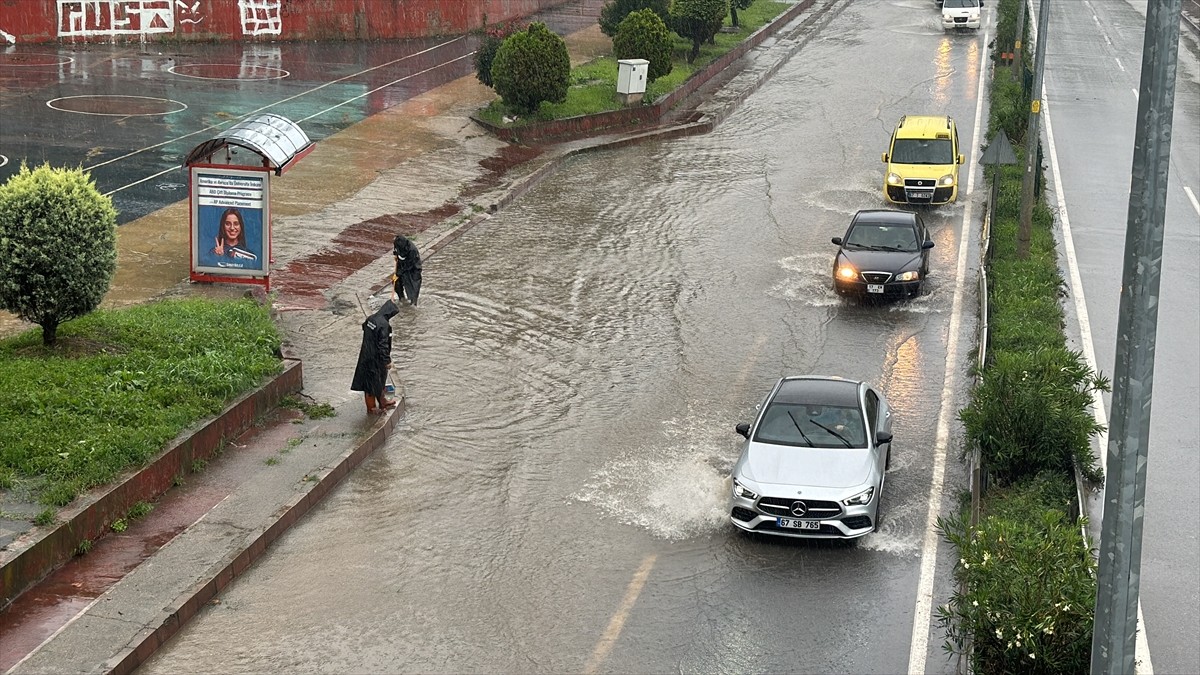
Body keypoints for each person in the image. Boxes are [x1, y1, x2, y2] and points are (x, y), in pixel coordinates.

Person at [350, 299, 400, 414]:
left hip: (366, 354)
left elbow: (364, 327)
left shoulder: (371, 318)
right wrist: (387, 361)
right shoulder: (384, 325)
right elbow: (383, 345)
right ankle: (371, 408)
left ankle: (383, 402)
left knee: (379, 382)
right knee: (370, 385)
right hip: (376, 359)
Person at [392, 235, 422, 306]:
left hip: (413, 269)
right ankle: (402, 299)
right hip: (402, 265)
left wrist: (400, 272)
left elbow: (410, 264)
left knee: (413, 287)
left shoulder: (412, 250)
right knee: (396, 282)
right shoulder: (397, 244)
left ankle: (413, 304)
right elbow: (396, 253)